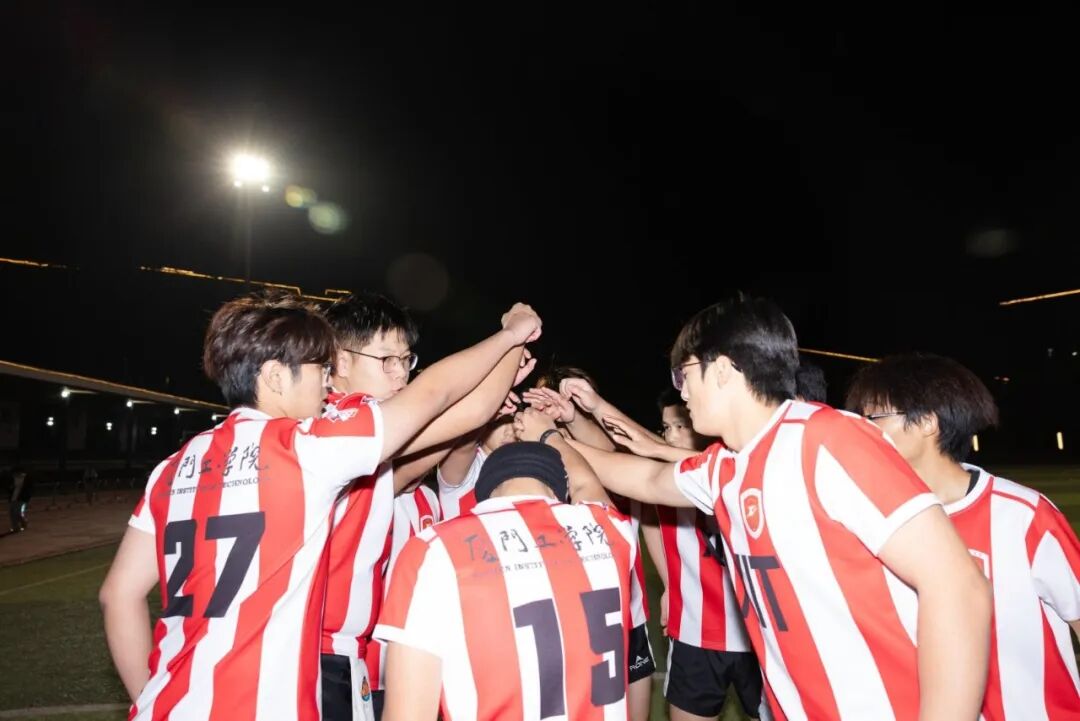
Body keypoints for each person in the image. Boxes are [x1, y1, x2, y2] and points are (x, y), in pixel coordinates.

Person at [98, 291, 541, 721]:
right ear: (276, 377)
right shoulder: (305, 447)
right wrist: (510, 335)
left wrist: (149, 699)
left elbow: (117, 594)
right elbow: (435, 395)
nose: (326, 382)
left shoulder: (173, 466)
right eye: (319, 368)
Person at [567, 295, 992, 720]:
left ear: (722, 369)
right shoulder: (728, 465)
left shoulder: (827, 440)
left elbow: (958, 586)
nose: (683, 390)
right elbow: (645, 479)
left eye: (685, 373)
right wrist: (552, 440)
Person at [319, 291, 535, 721]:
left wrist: (509, 356)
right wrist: (512, 335)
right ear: (340, 362)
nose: (401, 374)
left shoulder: (339, 433)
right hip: (322, 653)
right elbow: (452, 402)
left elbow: (459, 419)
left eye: (406, 360)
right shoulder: (341, 429)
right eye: (387, 360)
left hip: (341, 652)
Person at [846, 353, 1080, 720]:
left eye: (873, 418)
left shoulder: (1022, 515)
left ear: (927, 422)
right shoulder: (866, 521)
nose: (862, 431)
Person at [375, 437, 642, 721]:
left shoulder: (434, 549)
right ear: (562, 487)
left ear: (485, 489)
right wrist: (550, 434)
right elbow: (588, 484)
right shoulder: (612, 530)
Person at [606, 388, 765, 721]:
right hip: (696, 631)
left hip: (759, 635)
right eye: (667, 428)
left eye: (681, 426)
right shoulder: (664, 480)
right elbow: (652, 524)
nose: (672, 436)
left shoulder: (738, 467)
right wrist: (668, 584)